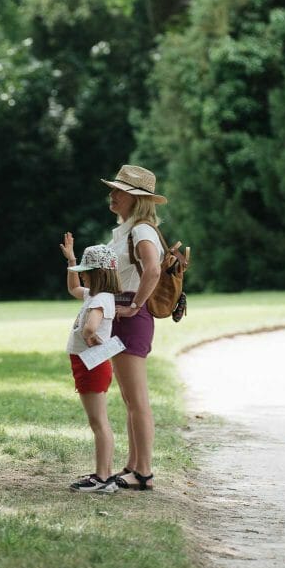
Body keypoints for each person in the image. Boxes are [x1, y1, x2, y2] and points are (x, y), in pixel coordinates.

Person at [102, 164, 167, 491]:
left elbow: (152, 271)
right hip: (121, 313)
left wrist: (135, 306)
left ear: (135, 198)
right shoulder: (129, 230)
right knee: (130, 398)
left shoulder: (141, 230)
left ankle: (144, 472)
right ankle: (133, 466)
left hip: (131, 316)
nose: (111, 195)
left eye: (118, 192)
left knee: (137, 399)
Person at [59, 239, 121, 492]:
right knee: (99, 421)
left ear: (99, 274)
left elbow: (90, 327)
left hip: (91, 365)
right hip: (88, 364)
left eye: (85, 273)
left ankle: (103, 478)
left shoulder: (100, 300)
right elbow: (73, 288)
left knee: (99, 422)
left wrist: (89, 335)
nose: (81, 277)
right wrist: (71, 262)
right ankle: (103, 474)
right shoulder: (95, 295)